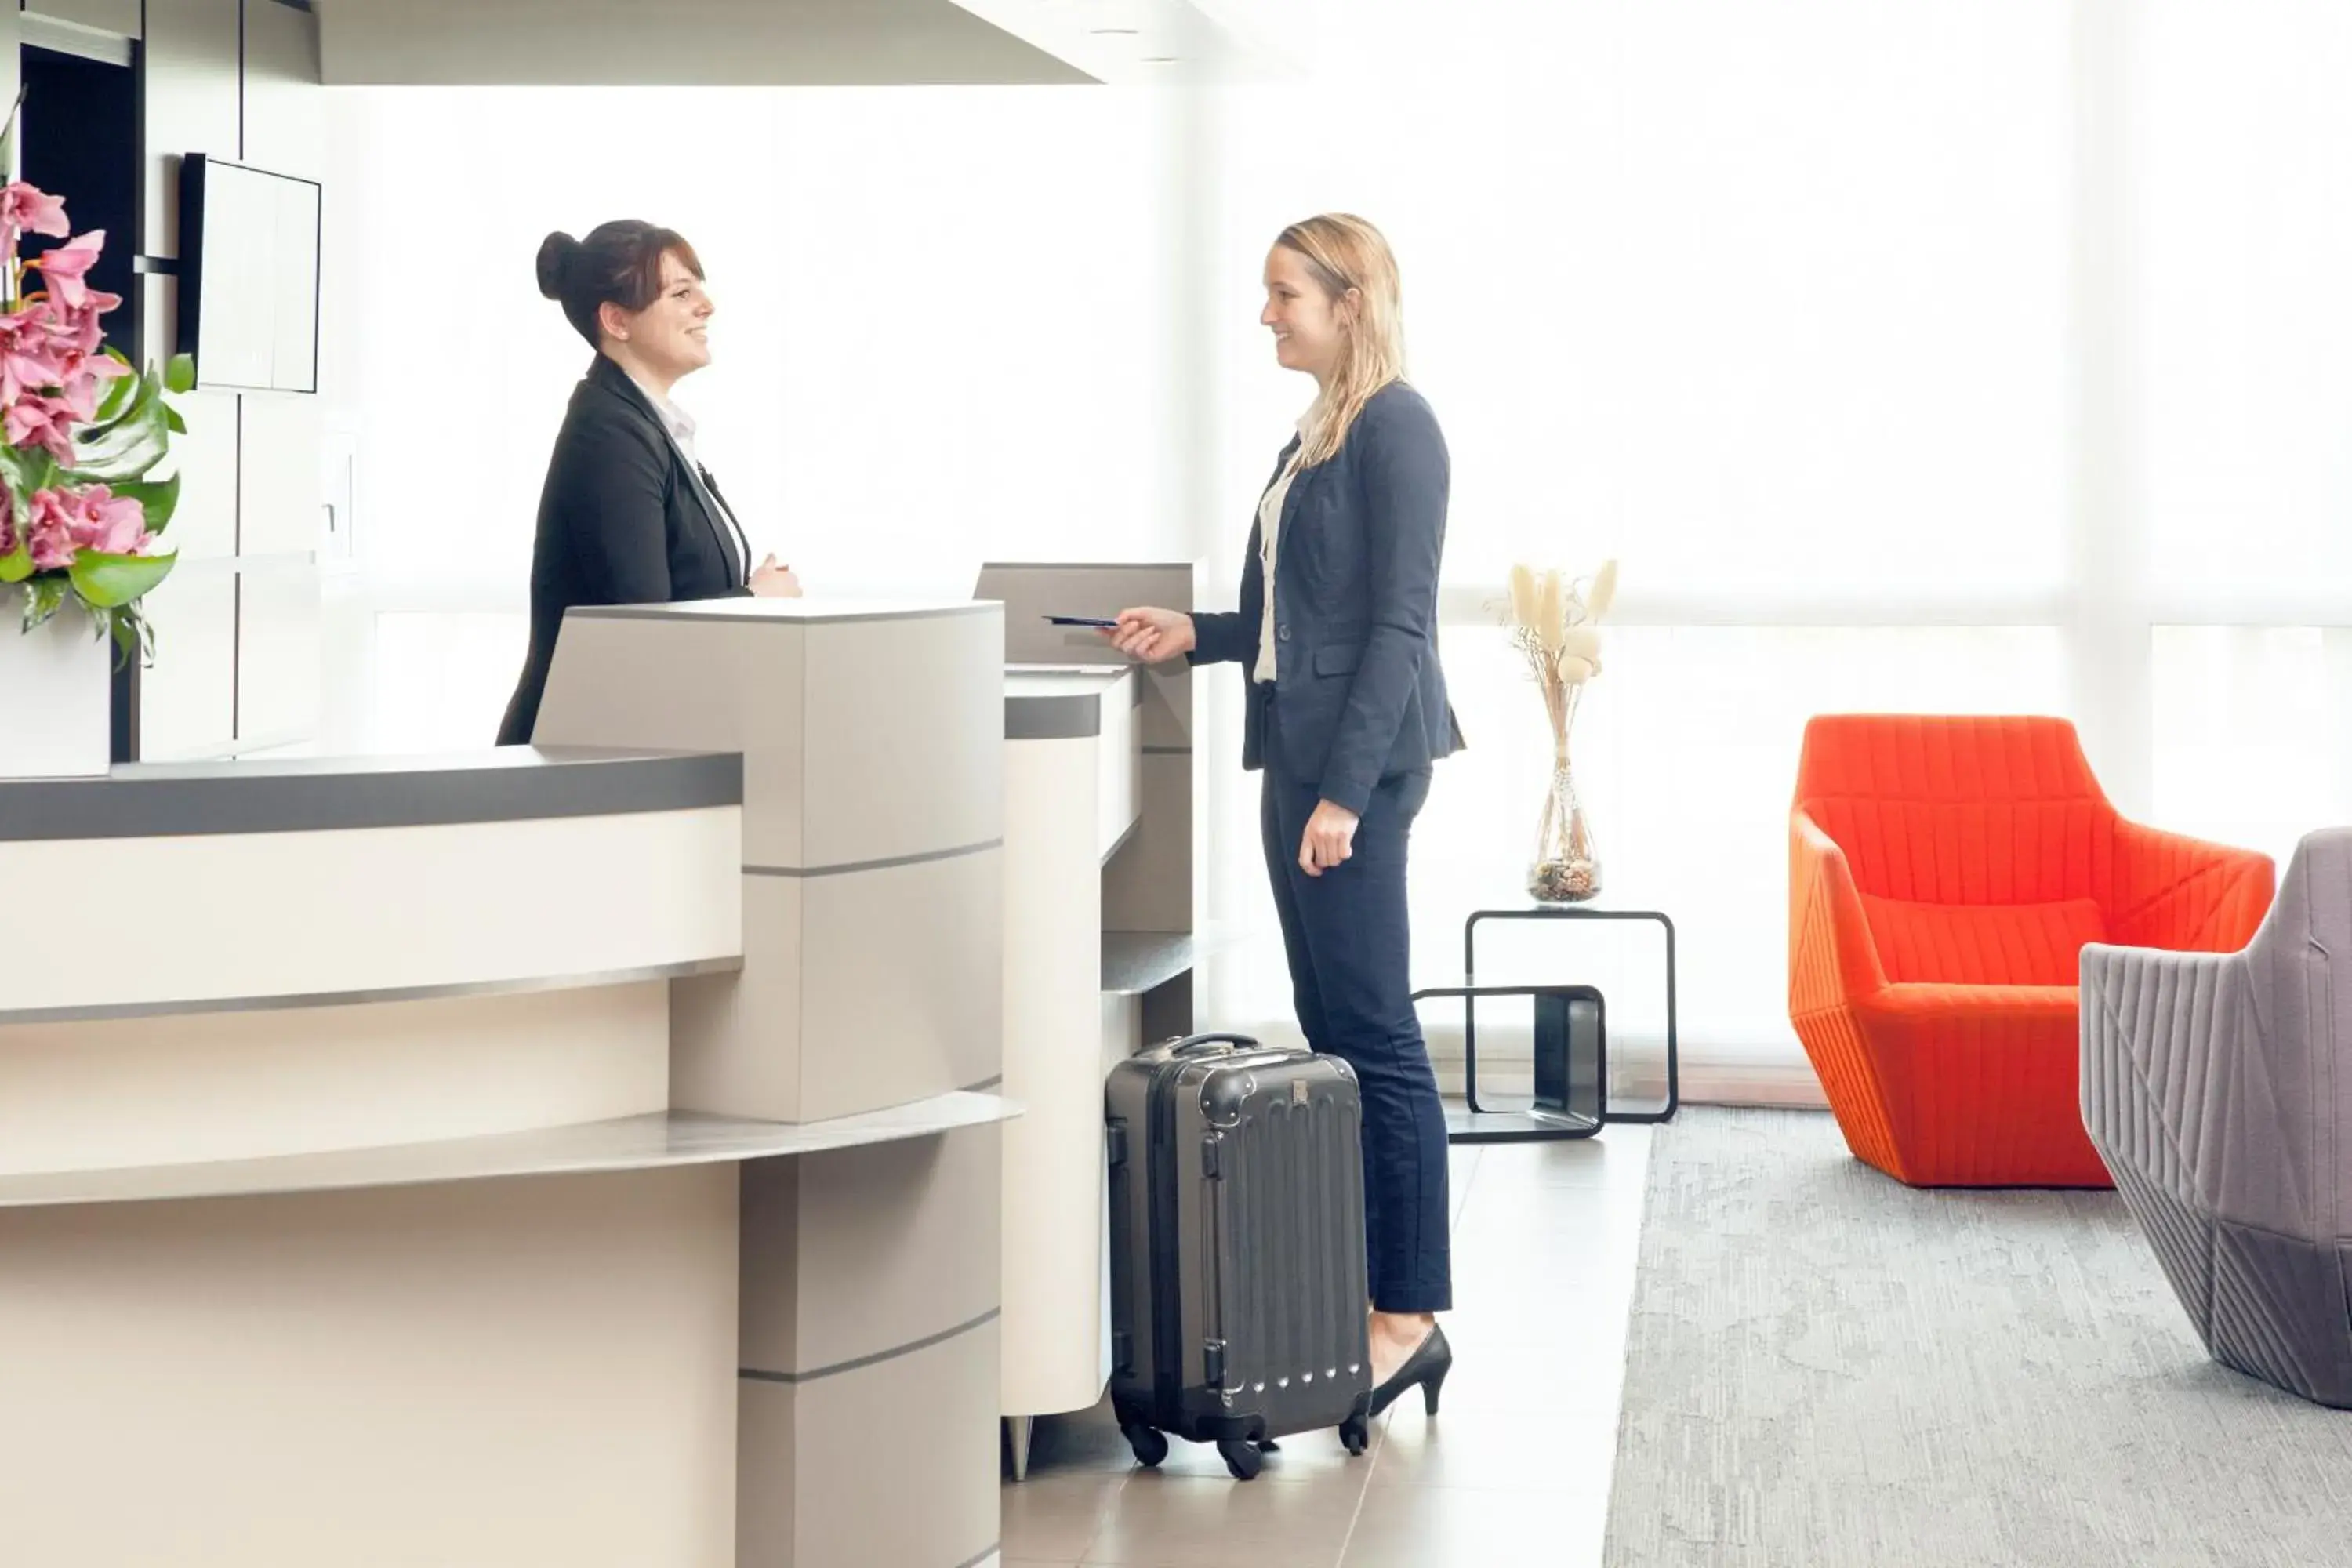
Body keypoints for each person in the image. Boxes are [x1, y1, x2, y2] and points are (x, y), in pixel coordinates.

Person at [1109, 212, 1465, 1416]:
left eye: (1284, 295)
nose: (1266, 315)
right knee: (1334, 1028)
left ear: (1350, 299)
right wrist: (1196, 636)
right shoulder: (1316, 434)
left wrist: (1344, 798)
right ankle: (1368, 1296)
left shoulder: (1398, 428)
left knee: (1378, 1035)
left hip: (1352, 774)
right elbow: (1288, 623)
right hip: (1299, 761)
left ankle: (1407, 1316)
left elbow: (1397, 629)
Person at [497, 220, 799, 746]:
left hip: (628, 746)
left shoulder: (643, 424)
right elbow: (642, 627)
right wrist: (756, 601)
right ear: (616, 320)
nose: (706, 306)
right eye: (681, 293)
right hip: (583, 759)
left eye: (699, 289)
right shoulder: (609, 432)